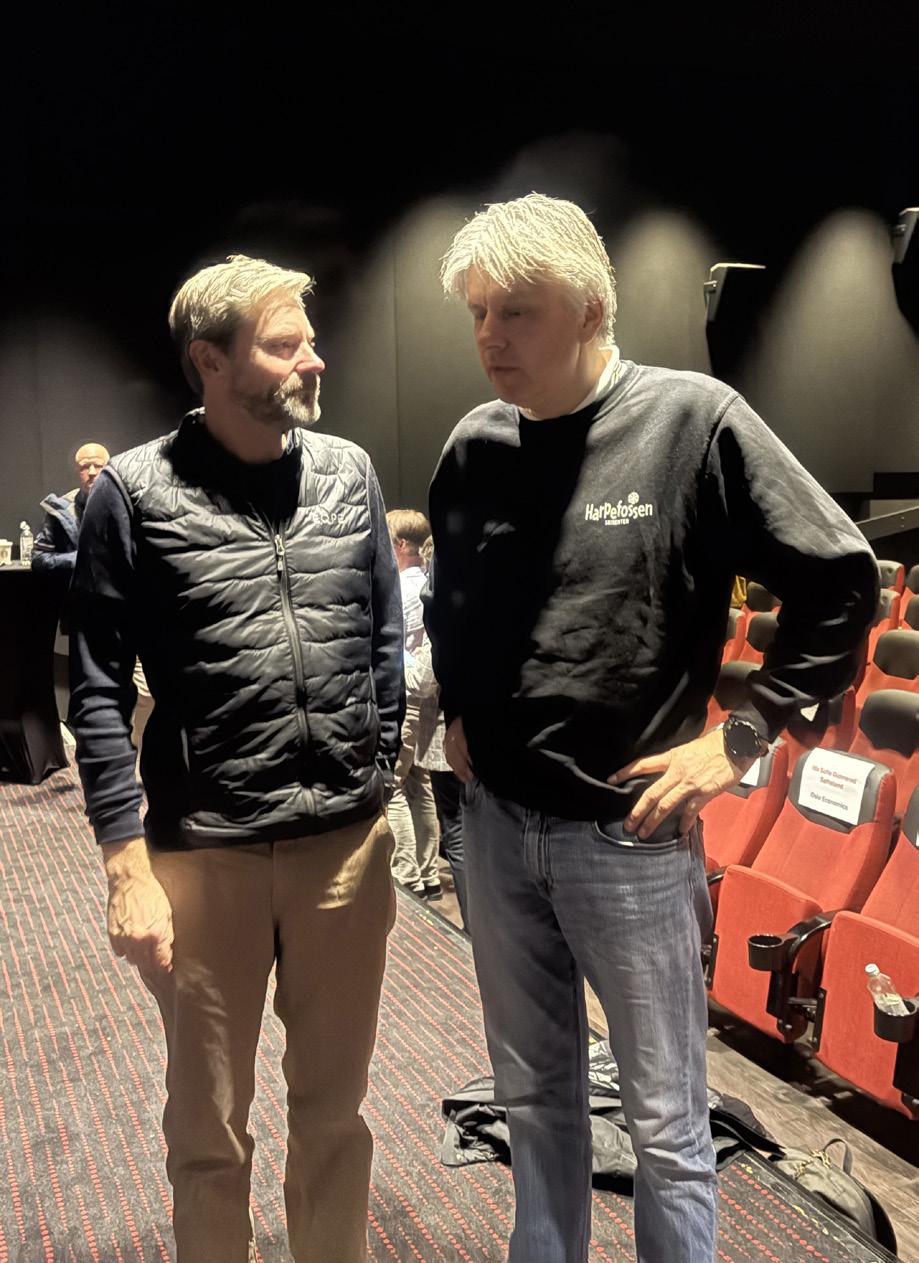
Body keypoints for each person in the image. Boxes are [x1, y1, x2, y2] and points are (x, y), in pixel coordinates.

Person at [424, 193, 878, 1263]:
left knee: (667, 1125)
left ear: (589, 307)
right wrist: (459, 705)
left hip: (627, 838)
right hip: (497, 829)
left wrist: (740, 738)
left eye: (515, 312)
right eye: (478, 313)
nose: (489, 337)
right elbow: (454, 598)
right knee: (533, 1101)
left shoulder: (691, 422)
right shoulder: (474, 445)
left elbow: (839, 581)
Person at [69, 254, 404, 1263]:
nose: (315, 358)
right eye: (284, 343)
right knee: (208, 1127)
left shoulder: (347, 472)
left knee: (335, 1115)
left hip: (343, 851)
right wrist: (126, 869)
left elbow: (383, 638)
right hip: (204, 854)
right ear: (210, 362)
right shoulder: (132, 492)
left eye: (310, 338)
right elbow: (95, 687)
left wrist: (379, 766)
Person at [386, 509, 441, 898]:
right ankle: (428, 874)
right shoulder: (426, 583)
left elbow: (394, 645)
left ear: (401, 545)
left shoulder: (403, 591)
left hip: (404, 693)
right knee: (420, 785)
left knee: (393, 787)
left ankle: (406, 877)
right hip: (424, 699)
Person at [31, 442, 110, 572]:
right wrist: (81, 559)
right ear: (76, 471)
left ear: (109, 470)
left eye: (98, 466)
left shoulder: (126, 505)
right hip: (73, 583)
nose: (92, 472)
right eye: (85, 466)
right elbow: (38, 559)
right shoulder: (61, 509)